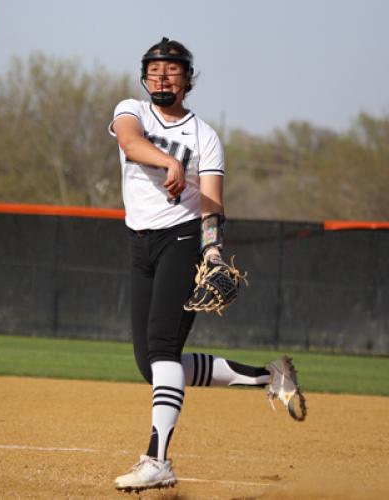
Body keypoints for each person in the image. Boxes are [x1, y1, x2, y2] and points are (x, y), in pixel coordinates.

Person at [108, 37, 305, 492]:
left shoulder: (205, 137)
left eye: (172, 70)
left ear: (188, 79)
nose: (162, 76)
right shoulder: (131, 110)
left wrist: (212, 252)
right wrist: (169, 163)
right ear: (144, 76)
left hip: (182, 241)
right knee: (153, 365)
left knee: (160, 349)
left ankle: (157, 460)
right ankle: (269, 377)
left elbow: (211, 204)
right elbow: (131, 144)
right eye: (154, 69)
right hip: (141, 245)